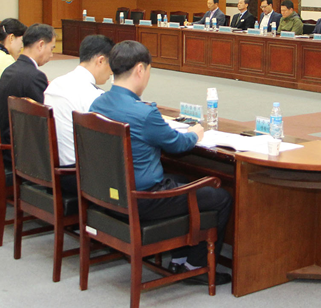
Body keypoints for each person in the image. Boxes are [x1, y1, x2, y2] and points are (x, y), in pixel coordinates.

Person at [89, 40, 232, 285]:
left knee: (183, 180)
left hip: (109, 195)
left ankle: (179, 258)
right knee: (220, 197)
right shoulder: (145, 113)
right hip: (143, 200)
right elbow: (178, 145)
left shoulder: (97, 103)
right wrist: (195, 133)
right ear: (140, 70)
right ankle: (197, 266)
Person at [44, 34, 113, 167]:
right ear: (100, 61)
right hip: (76, 170)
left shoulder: (56, 83)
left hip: (49, 165)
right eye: (111, 65)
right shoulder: (94, 96)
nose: (111, 72)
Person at [0, 23, 56, 149]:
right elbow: (43, 120)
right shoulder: (35, 76)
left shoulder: (8, 70)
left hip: (7, 142)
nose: (51, 55)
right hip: (25, 150)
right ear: (41, 45)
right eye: (51, 49)